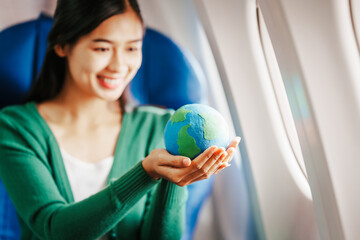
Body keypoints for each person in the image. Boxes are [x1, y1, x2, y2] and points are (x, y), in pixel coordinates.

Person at [0, 0, 240, 239]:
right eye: (102, 49)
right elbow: (54, 229)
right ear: (63, 45)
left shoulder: (162, 127)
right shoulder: (16, 127)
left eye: (132, 49)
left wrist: (174, 180)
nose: (119, 65)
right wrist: (146, 173)